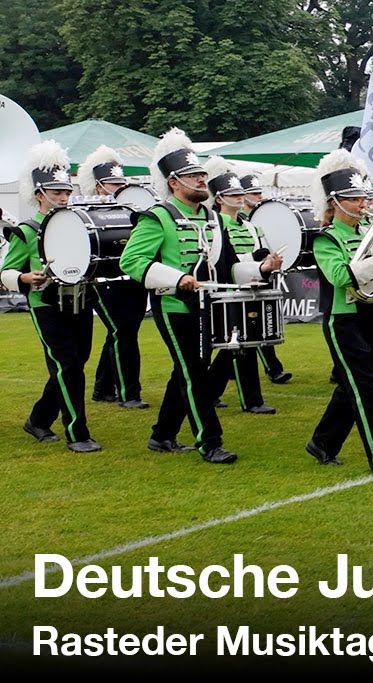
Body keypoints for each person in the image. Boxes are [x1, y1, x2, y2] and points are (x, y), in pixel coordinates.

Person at [120, 128, 281, 463]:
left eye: (202, 174)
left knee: (186, 372)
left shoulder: (212, 218)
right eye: (193, 175)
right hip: (174, 306)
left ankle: (162, 434)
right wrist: (177, 278)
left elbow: (228, 267)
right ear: (174, 182)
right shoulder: (158, 217)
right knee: (193, 372)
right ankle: (210, 442)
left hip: (209, 307)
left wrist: (262, 270)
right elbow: (131, 261)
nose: (201, 179)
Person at [302, 149, 373, 476]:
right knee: (366, 389)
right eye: (354, 198)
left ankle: (322, 442)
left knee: (356, 384)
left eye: (363, 197)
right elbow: (340, 277)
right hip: (343, 319)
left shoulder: (366, 233)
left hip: (370, 314)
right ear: (335, 203)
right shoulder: (326, 239)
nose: (363, 203)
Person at [1, 140, 101, 452]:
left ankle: (38, 419)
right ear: (39, 193)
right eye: (56, 192)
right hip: (44, 303)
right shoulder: (27, 231)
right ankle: (77, 432)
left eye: (66, 191)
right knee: (67, 363)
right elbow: (6, 271)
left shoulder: (80, 223)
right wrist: (24, 277)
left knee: (75, 362)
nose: (63, 197)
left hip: (80, 299)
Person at [78, 145, 149, 409]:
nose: (118, 187)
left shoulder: (136, 212)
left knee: (119, 333)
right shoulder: (87, 213)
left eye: (121, 181)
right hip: (104, 282)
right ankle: (129, 393)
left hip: (133, 280)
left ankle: (102, 388)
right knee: (123, 333)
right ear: (98, 187)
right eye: (112, 183)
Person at [204, 157, 276, 415]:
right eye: (232, 194)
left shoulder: (250, 226)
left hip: (252, 288)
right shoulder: (214, 225)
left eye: (240, 193)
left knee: (245, 342)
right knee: (238, 343)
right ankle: (250, 400)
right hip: (227, 290)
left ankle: (212, 392)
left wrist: (266, 260)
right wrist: (253, 261)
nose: (239, 197)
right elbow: (222, 261)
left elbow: (256, 254)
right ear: (219, 198)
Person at [239, 172, 292, 385]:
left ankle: (273, 369)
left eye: (259, 192)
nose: (259, 196)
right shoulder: (231, 222)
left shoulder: (254, 225)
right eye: (253, 192)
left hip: (258, 276)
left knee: (259, 324)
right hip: (238, 280)